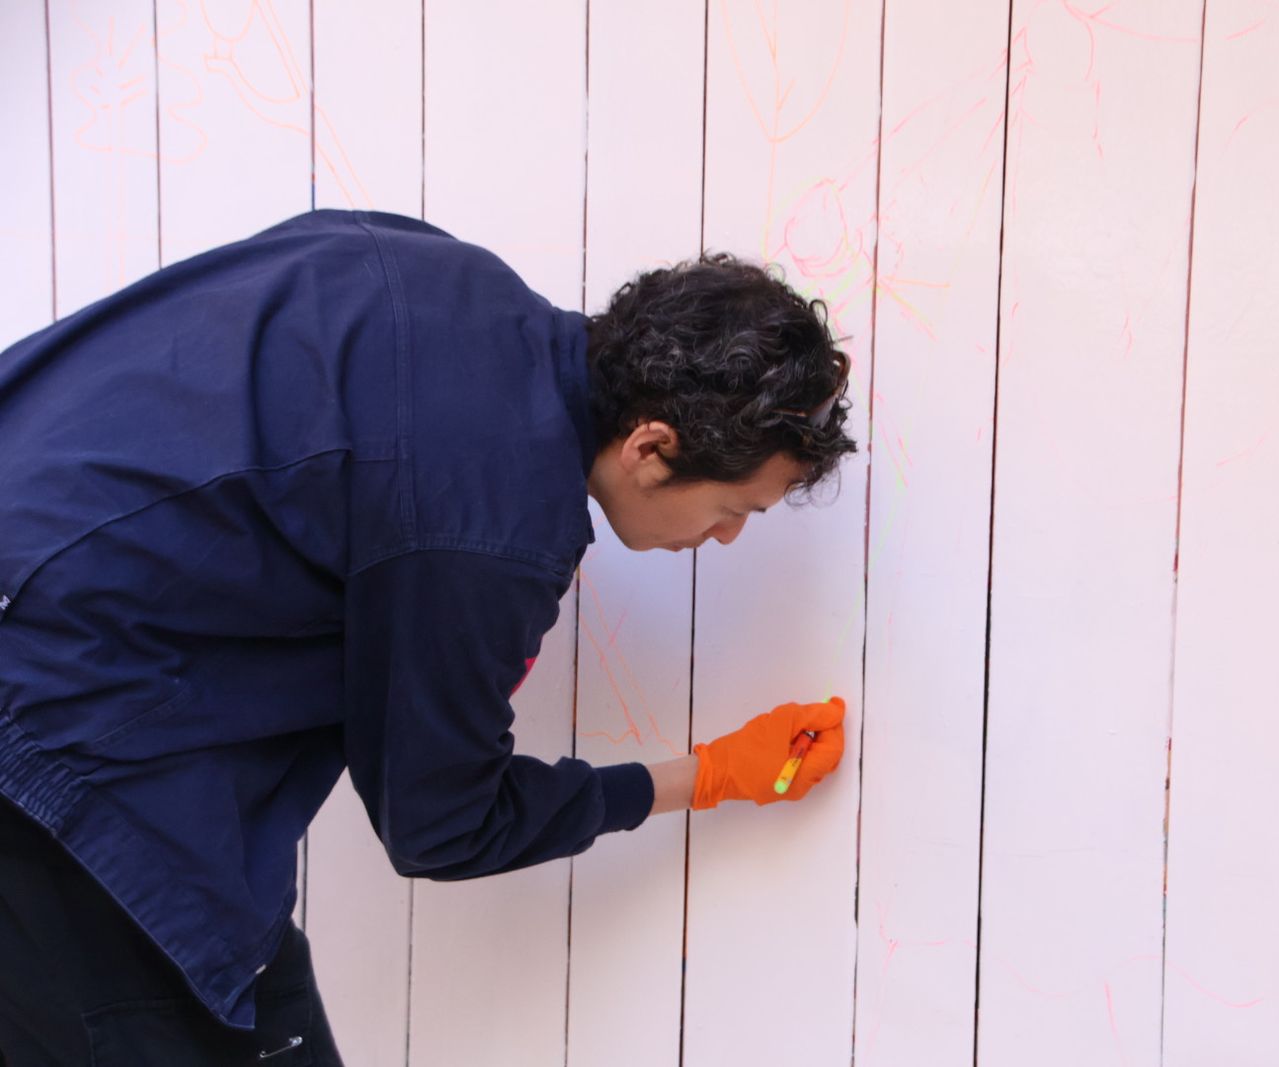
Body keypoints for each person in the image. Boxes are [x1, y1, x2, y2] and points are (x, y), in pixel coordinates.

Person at [0, 210, 855, 1065]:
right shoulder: (494, 518)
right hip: (55, 740)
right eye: (736, 509)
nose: (728, 538)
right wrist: (705, 775)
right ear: (651, 446)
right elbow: (443, 822)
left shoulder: (444, 273)